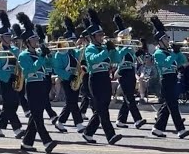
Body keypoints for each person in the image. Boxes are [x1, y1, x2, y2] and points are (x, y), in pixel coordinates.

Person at [17, 12, 57, 153]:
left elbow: (50, 65)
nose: (37, 40)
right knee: (38, 116)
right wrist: (41, 57)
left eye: (36, 37)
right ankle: (47, 142)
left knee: (36, 115)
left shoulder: (38, 52)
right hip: (32, 86)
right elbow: (29, 70)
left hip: (42, 85)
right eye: (34, 38)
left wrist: (49, 56)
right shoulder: (24, 55)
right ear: (27, 41)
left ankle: (27, 143)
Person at [82, 8, 122, 145]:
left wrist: (114, 49)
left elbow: (116, 59)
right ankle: (110, 135)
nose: (102, 37)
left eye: (102, 34)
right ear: (93, 37)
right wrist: (106, 50)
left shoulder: (103, 47)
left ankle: (88, 132)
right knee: (102, 109)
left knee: (101, 108)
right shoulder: (89, 49)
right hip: (95, 80)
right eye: (99, 35)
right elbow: (94, 59)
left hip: (105, 78)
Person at [150, 16, 189, 139]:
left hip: (173, 79)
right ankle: (180, 130)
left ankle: (158, 128)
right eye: (166, 38)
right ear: (160, 41)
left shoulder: (169, 52)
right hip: (166, 80)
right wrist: (173, 53)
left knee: (167, 107)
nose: (168, 40)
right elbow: (166, 63)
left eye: (168, 38)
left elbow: (183, 62)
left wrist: (179, 52)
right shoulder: (158, 53)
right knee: (173, 106)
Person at [0, 11, 25, 139]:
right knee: (10, 102)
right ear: (1, 37)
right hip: (5, 80)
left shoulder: (15, 50)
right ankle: (17, 129)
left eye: (10, 35)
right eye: (7, 36)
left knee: (11, 104)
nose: (9, 38)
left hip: (15, 79)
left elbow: (19, 64)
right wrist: (7, 77)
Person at [112, 14, 146, 129]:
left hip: (131, 72)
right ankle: (137, 119)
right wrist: (125, 47)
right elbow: (118, 59)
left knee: (128, 97)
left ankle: (121, 120)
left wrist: (140, 52)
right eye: (127, 35)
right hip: (123, 73)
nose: (130, 36)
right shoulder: (120, 48)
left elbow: (136, 60)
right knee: (130, 98)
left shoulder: (130, 48)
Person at [52, 17, 85, 133]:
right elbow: (57, 69)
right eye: (71, 40)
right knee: (72, 102)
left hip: (75, 78)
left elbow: (80, 56)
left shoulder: (73, 51)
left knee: (71, 102)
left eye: (73, 40)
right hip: (66, 80)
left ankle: (60, 122)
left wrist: (84, 45)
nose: (73, 42)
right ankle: (79, 124)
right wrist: (68, 76)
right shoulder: (59, 54)